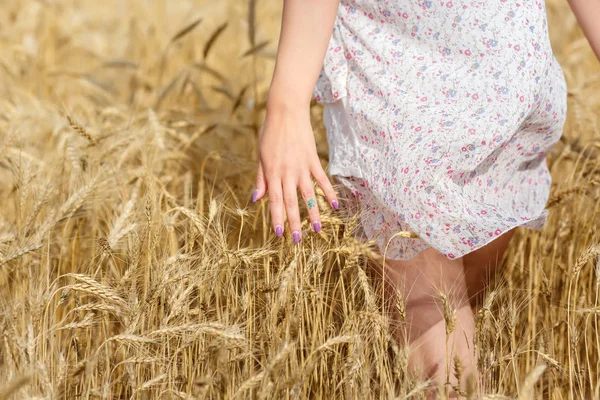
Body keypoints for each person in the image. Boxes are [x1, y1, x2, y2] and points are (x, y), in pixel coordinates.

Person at [251, 0, 600, 396]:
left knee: (455, 312)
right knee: (443, 340)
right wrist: (286, 105)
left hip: (498, 92)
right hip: (421, 87)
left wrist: (288, 104)